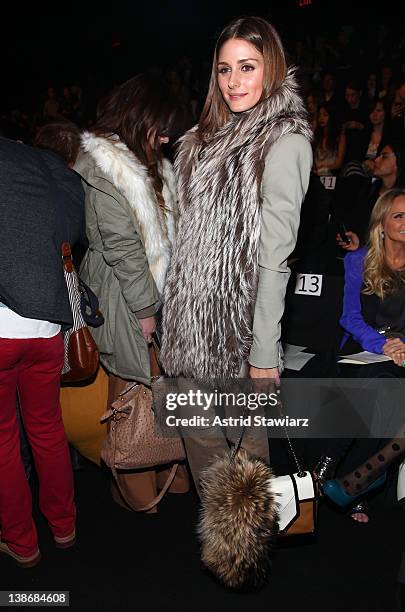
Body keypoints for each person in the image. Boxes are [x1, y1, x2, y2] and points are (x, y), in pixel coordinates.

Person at [160, 16, 312, 492]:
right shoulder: (198, 145)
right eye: (224, 70)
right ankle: (223, 560)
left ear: (272, 68)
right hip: (188, 335)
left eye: (247, 67)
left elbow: (275, 259)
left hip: (240, 341)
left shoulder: (282, 142)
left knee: (246, 483)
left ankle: (244, 564)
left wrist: (264, 352)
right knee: (205, 466)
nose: (233, 81)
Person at [75, 73, 188, 512]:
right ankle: (139, 498)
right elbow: (121, 246)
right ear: (140, 116)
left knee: (165, 390)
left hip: (163, 296)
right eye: (161, 127)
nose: (165, 138)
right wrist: (145, 308)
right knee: (132, 395)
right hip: (126, 298)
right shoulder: (105, 165)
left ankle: (171, 477)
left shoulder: (153, 162)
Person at [0, 136, 84, 567]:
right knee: (48, 430)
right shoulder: (45, 163)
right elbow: (74, 229)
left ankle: (21, 542)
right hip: (47, 322)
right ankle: (64, 526)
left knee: (3, 440)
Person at [319, 189, 405, 522]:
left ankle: (353, 474)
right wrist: (382, 344)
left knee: (387, 387)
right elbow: (350, 317)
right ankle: (346, 468)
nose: (404, 223)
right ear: (382, 223)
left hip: (401, 352)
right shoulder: (360, 260)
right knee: (376, 382)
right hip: (363, 347)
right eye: (398, 216)